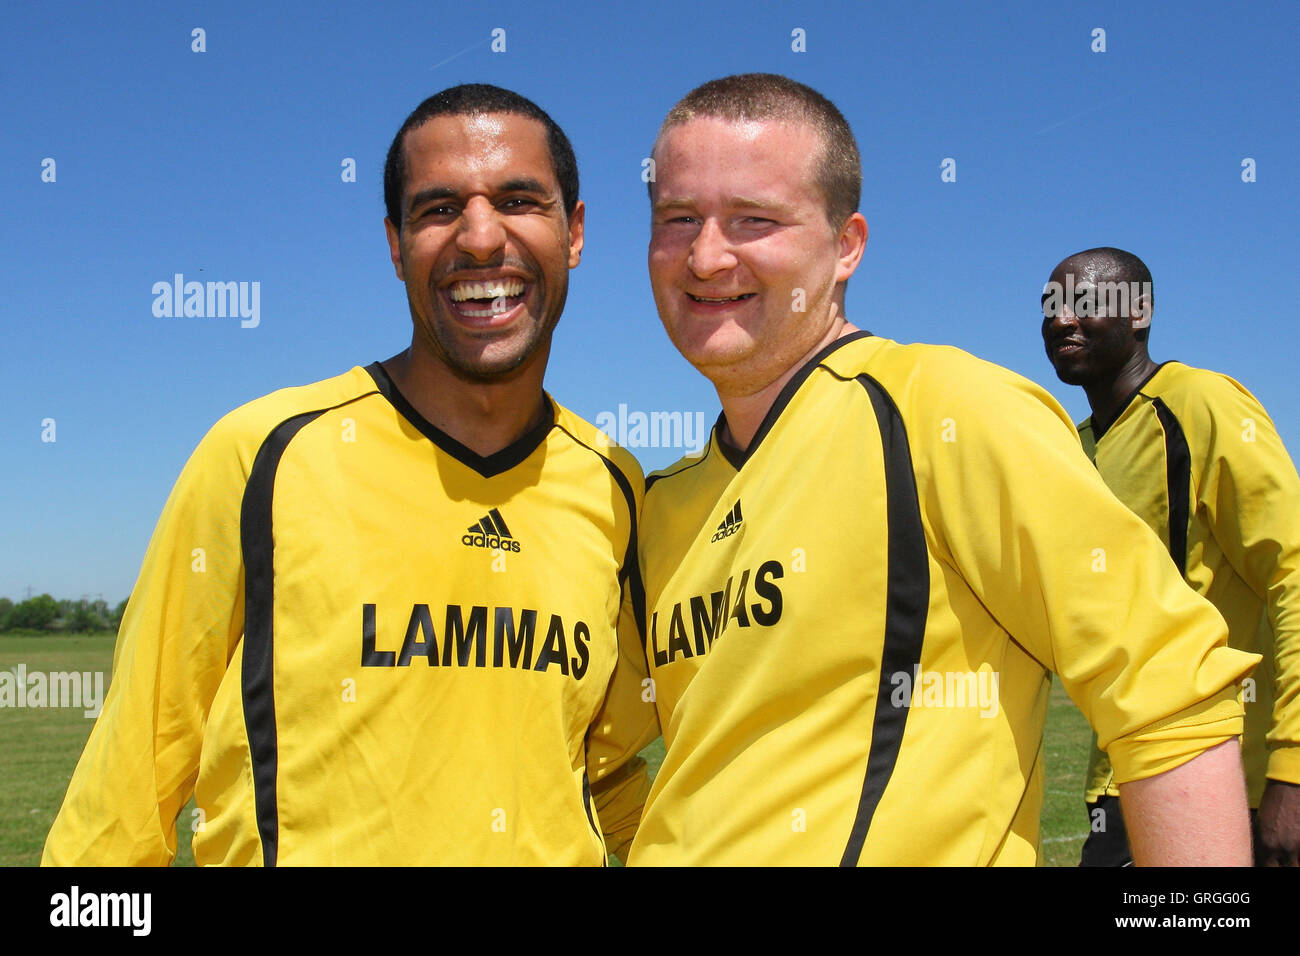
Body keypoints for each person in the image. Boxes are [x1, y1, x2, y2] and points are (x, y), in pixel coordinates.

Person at [627, 73, 1258, 866]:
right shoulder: (662, 506)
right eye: (677, 219)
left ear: (847, 243)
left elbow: (1170, 691)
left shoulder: (945, 409)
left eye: (755, 220)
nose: (707, 255)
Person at [42, 84, 657, 866]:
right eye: (437, 209)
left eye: (517, 199)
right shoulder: (263, 452)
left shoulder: (615, 486)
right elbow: (126, 788)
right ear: (396, 245)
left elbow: (609, 775)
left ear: (573, 232)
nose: (478, 237)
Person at [1042, 247, 1300, 867]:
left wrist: (1292, 766)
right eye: (1049, 306)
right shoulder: (1070, 451)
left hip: (1227, 776)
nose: (1062, 320)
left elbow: (1292, 571)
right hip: (1119, 779)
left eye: (1085, 302)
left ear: (1140, 312)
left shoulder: (1200, 406)